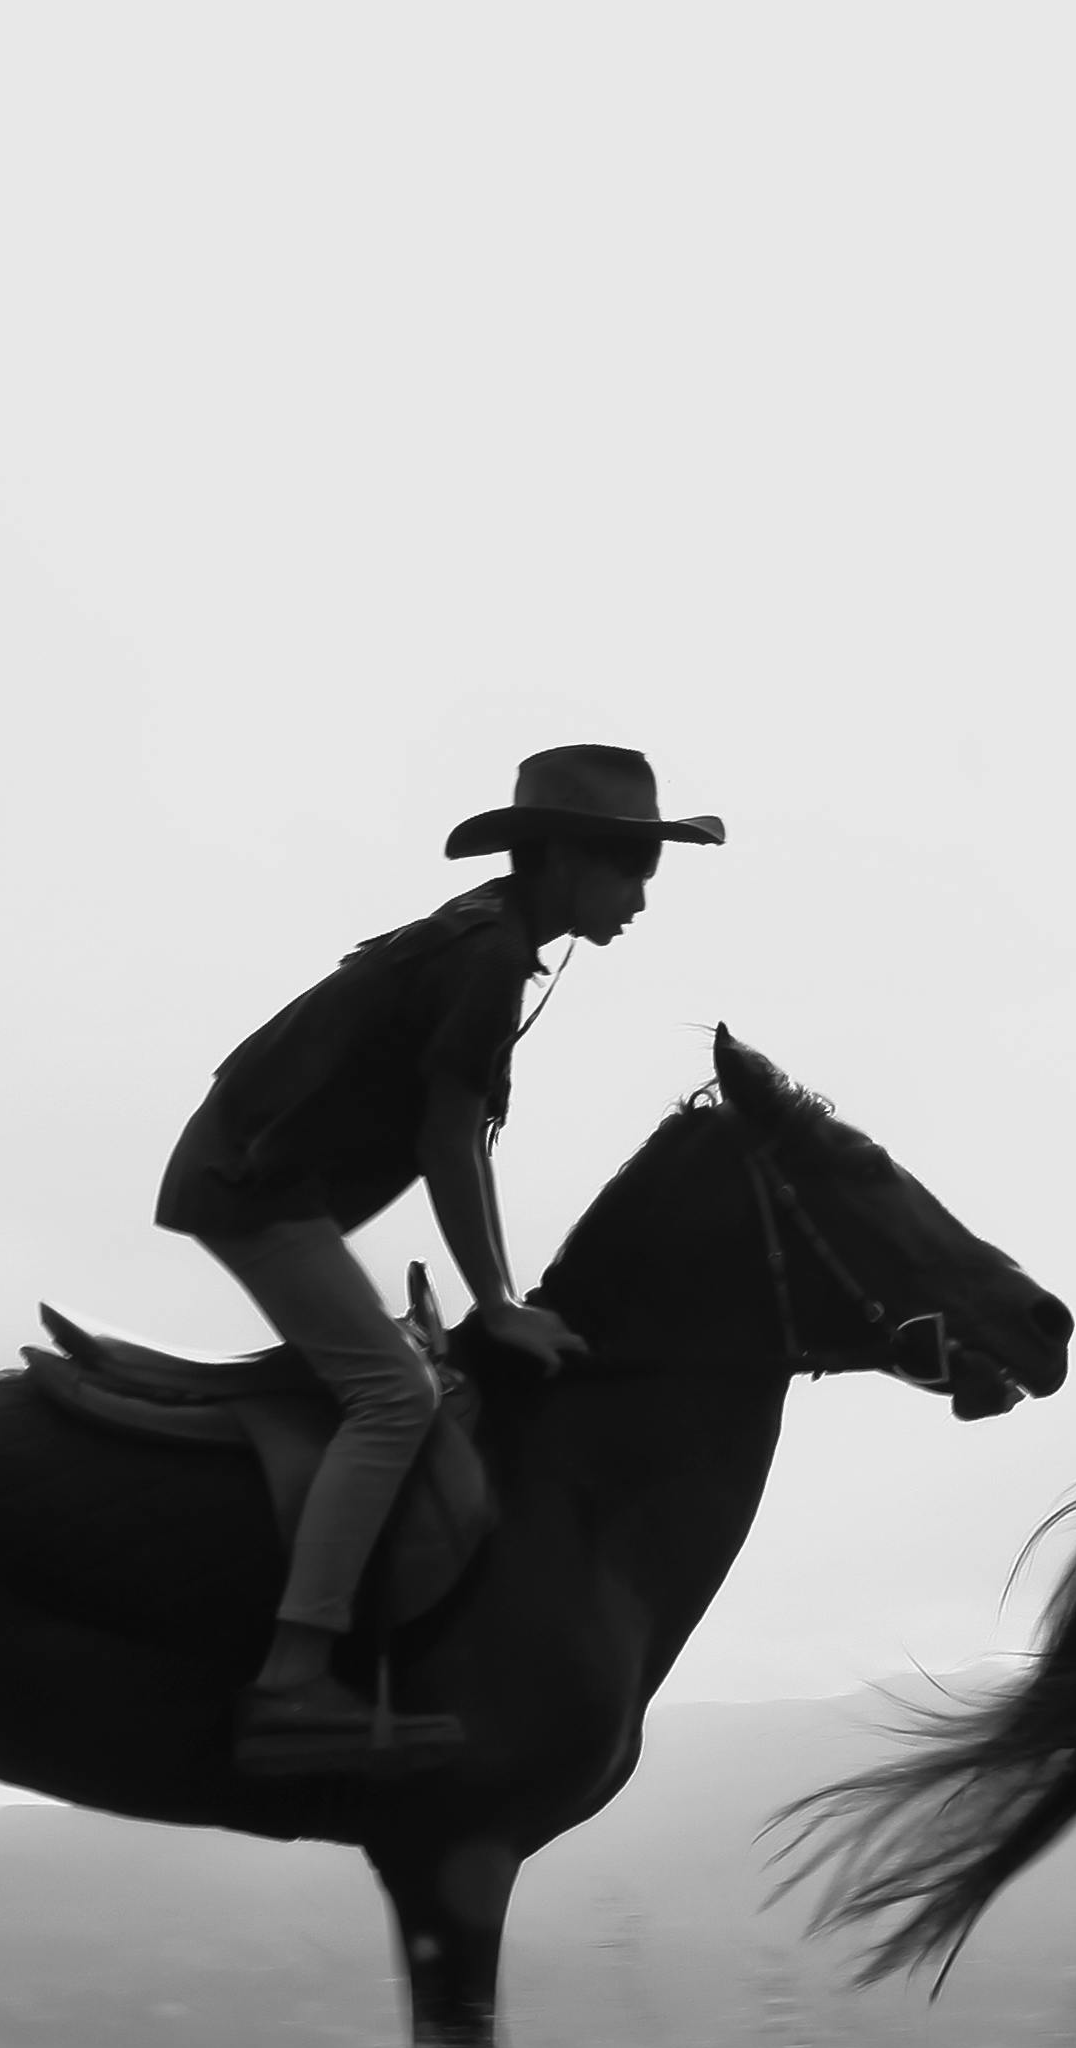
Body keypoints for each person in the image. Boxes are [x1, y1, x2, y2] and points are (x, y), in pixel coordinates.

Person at [156, 744, 722, 1775]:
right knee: (393, 1399)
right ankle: (291, 1678)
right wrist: (497, 1303)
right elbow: (446, 1143)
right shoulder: (487, 959)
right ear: (562, 859)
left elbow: (461, 1143)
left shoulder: (491, 942)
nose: (642, 896)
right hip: (248, 1189)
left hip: (270, 1183)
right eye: (628, 867)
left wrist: (499, 1293)